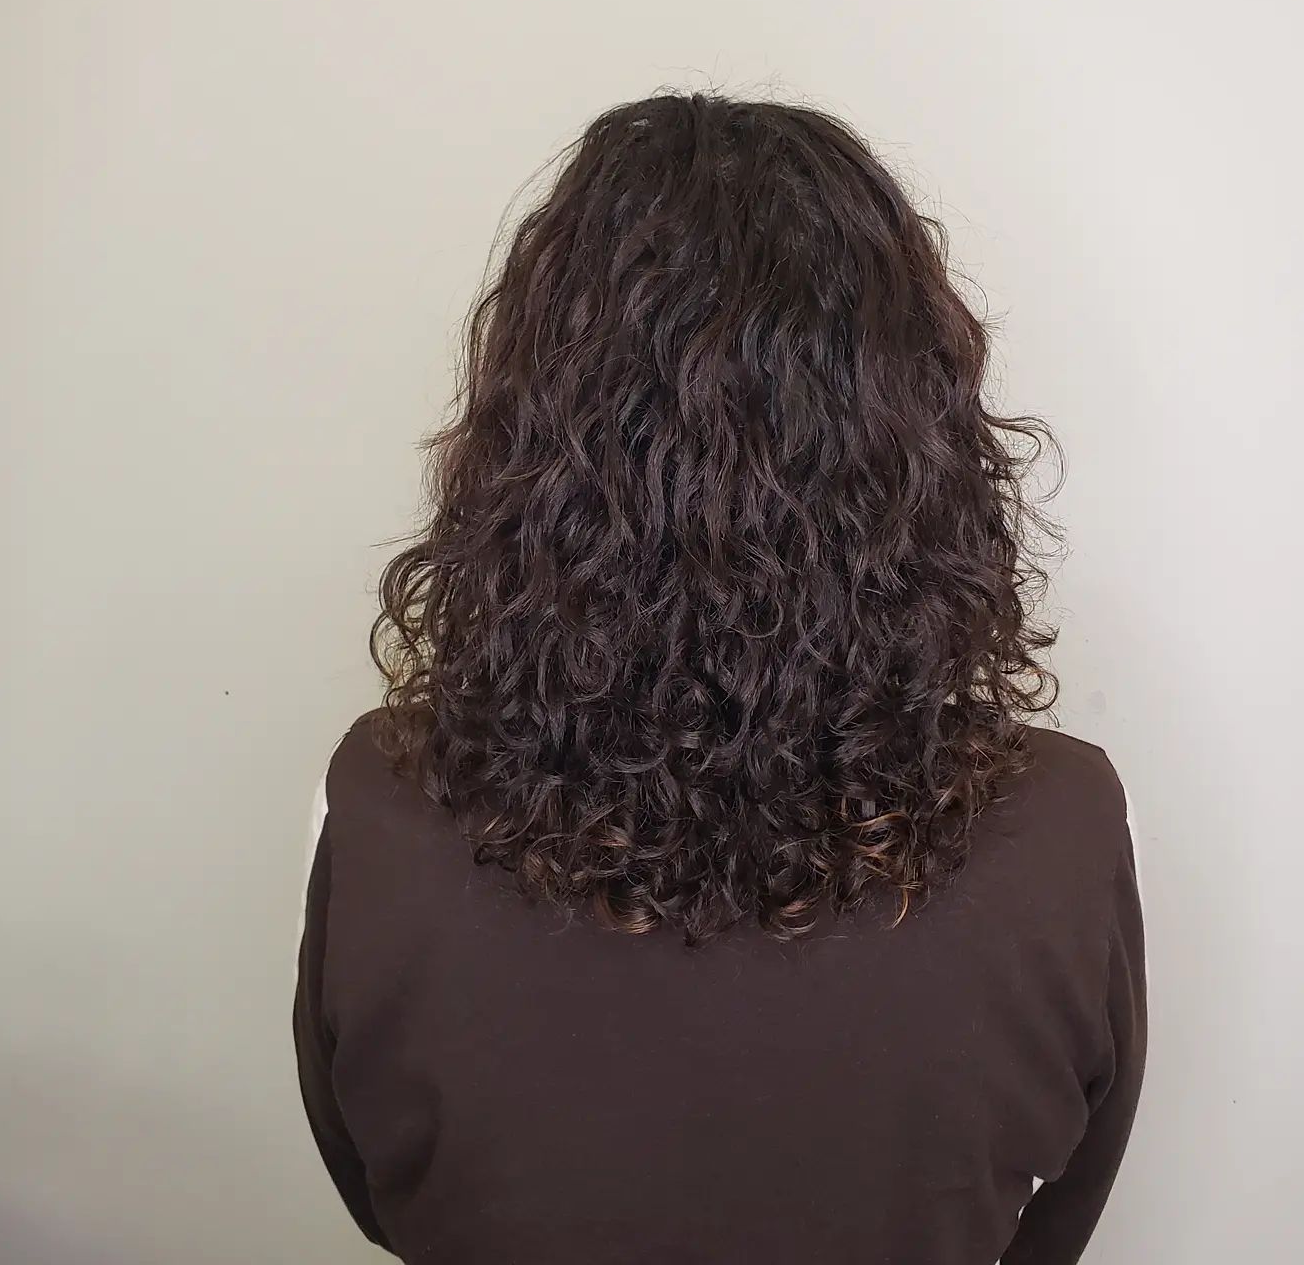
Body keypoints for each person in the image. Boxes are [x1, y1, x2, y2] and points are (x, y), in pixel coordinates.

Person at [293, 92, 1146, 1265]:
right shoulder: (1069, 826)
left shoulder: (375, 805)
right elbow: (1050, 1220)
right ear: (916, 439)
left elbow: (379, 1189)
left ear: (532, 447)